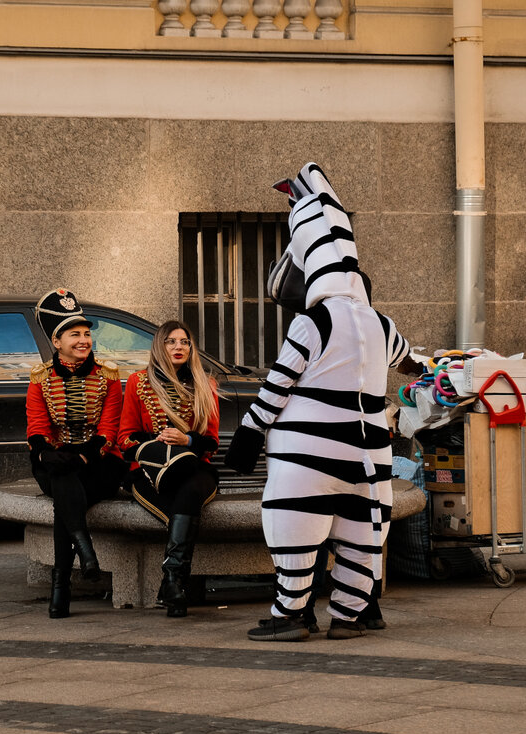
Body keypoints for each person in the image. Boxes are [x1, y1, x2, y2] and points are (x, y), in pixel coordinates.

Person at [225, 162, 422, 642]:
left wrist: (249, 434)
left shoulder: (312, 322)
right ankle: (350, 615)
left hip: (309, 450)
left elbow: (278, 385)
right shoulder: (381, 322)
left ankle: (290, 613)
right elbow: (414, 363)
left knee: (295, 524)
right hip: (370, 451)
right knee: (362, 531)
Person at [26, 288, 126, 619]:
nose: (83, 340)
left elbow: (109, 430)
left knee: (65, 495)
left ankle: (62, 586)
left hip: (99, 463)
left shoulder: (109, 376)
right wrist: (47, 454)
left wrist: (83, 456)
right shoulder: (40, 379)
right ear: (57, 342)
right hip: (57, 461)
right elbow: (37, 428)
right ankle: (83, 555)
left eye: (86, 334)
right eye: (74, 334)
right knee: (62, 477)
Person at [118, 320, 221, 618]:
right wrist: (160, 440)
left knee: (189, 493)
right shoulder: (139, 382)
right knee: (185, 503)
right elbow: (125, 438)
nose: (179, 347)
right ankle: (174, 584)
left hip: (195, 468)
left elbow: (211, 441)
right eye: (171, 342)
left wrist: (187, 439)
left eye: (185, 342)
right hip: (150, 472)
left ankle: (173, 580)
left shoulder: (206, 384)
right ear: (159, 347)